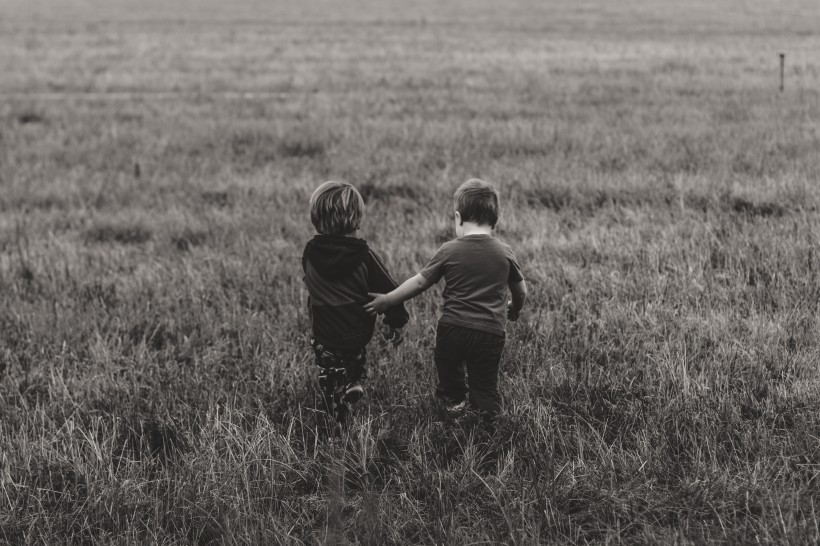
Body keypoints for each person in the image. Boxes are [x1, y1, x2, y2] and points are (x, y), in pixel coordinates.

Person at [365, 178, 526, 420]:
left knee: (448, 366)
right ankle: (488, 415)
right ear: (496, 221)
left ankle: (454, 401)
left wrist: (388, 299)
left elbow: (420, 282)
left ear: (459, 218)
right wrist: (514, 307)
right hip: (490, 333)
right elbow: (521, 290)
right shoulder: (504, 251)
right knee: (484, 383)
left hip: (453, 329)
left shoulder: (449, 250)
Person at [302, 180, 408, 423]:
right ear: (357, 220)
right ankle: (354, 380)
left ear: (316, 219)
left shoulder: (310, 252)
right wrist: (396, 321)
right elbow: (390, 290)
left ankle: (336, 410)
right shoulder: (365, 256)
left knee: (330, 373)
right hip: (357, 330)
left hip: (325, 332)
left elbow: (308, 279)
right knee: (355, 354)